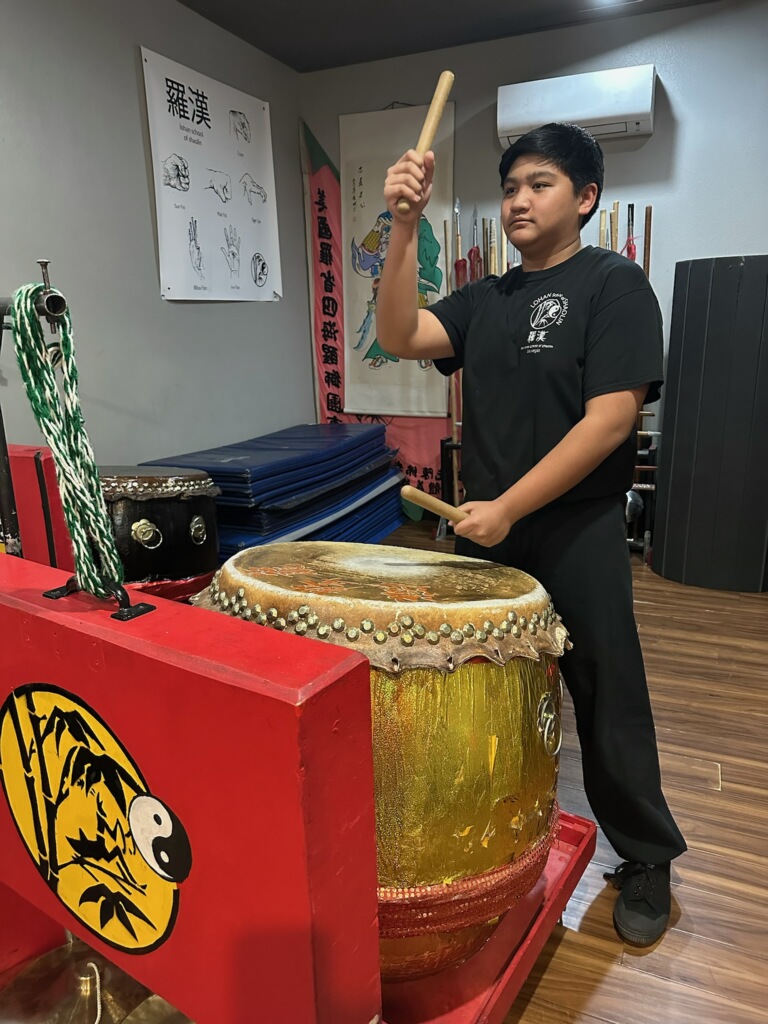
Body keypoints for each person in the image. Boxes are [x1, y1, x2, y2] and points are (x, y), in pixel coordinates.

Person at [375, 122, 686, 947]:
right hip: (487, 527)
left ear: (585, 198)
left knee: (605, 693)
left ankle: (647, 856)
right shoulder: (487, 298)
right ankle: (495, 833)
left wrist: (511, 504)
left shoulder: (614, 286)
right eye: (510, 186)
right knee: (484, 688)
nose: (518, 199)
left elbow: (612, 419)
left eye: (539, 184)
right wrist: (403, 227)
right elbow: (400, 334)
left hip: (573, 528)